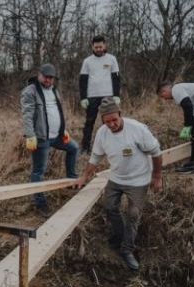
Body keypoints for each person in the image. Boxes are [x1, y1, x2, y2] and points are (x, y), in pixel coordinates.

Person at [75, 98, 162, 270]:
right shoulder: (102, 133)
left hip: (138, 179)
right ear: (102, 120)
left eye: (114, 119)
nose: (112, 124)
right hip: (116, 178)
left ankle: (127, 250)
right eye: (107, 122)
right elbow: (95, 158)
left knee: (133, 213)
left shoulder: (137, 129)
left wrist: (157, 176)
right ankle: (121, 235)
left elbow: (156, 152)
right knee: (109, 207)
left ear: (120, 114)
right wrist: (84, 176)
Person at [20, 63, 79, 217]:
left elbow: (57, 111)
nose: (48, 80)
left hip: (57, 135)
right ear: (39, 75)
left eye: (51, 78)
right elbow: (27, 114)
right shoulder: (30, 91)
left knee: (73, 148)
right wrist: (29, 135)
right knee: (39, 171)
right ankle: (40, 203)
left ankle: (71, 179)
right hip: (41, 138)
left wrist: (63, 129)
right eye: (45, 77)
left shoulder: (54, 90)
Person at [79, 35, 121, 154]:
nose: (98, 49)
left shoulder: (112, 59)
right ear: (92, 46)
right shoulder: (87, 61)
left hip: (108, 95)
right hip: (92, 96)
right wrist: (83, 98)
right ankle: (85, 147)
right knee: (89, 122)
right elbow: (82, 80)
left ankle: (112, 146)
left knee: (111, 122)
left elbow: (116, 78)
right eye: (96, 47)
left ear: (104, 46)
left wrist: (117, 95)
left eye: (100, 47)